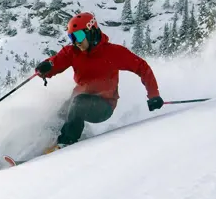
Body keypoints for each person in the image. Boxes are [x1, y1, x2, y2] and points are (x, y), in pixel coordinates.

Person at [34, 12, 163, 150]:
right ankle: (43, 144)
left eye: (79, 36)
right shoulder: (73, 52)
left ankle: (65, 144)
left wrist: (153, 95)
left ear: (91, 31)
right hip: (78, 100)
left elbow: (142, 67)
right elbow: (55, 63)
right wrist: (45, 68)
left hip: (104, 106)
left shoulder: (112, 52)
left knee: (78, 103)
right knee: (59, 113)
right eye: (72, 37)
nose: (76, 42)